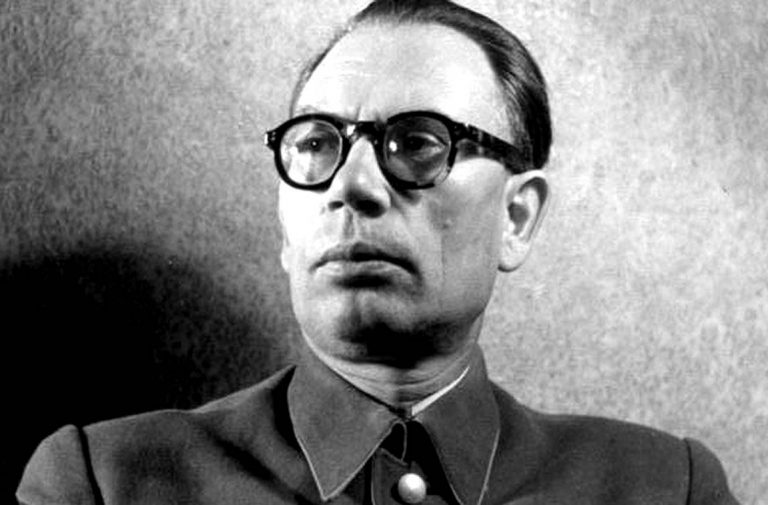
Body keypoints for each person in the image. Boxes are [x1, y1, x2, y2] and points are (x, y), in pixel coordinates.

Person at [17, 1, 740, 504]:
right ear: (287, 223)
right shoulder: (102, 482)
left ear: (517, 217)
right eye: (316, 143)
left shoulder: (662, 487)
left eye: (418, 143)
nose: (351, 186)